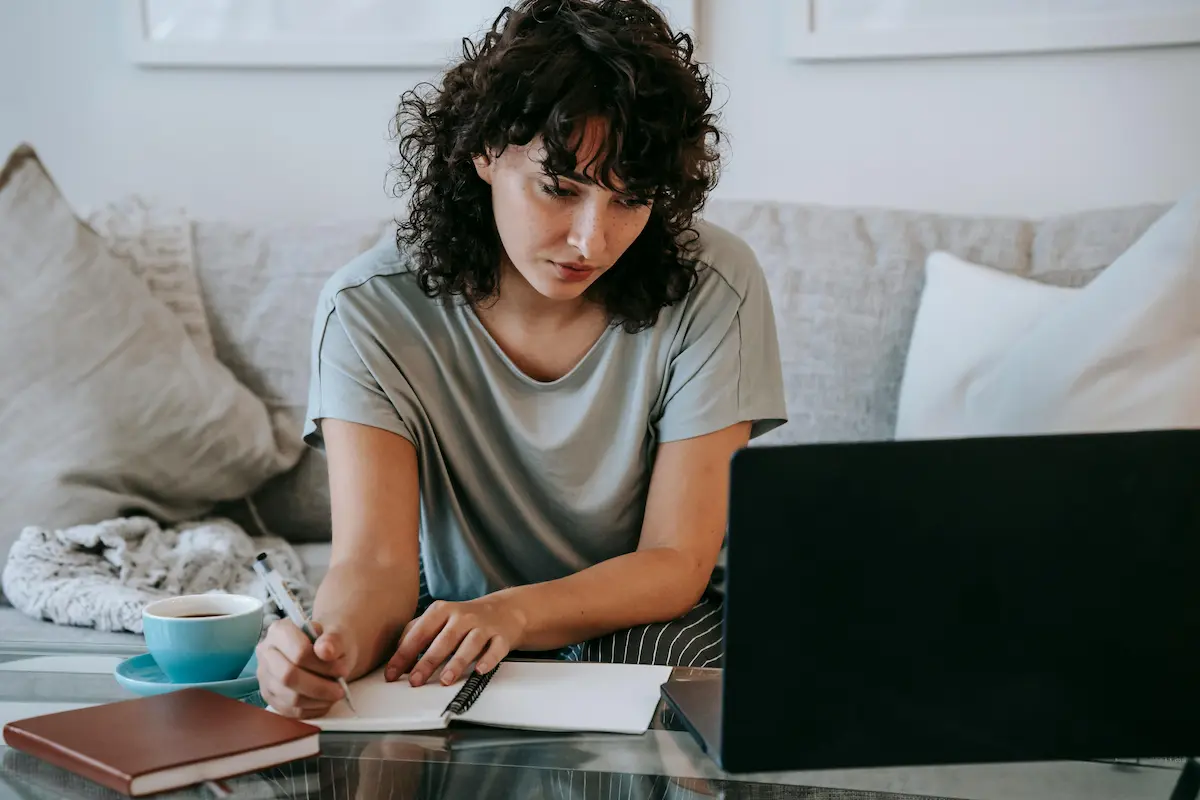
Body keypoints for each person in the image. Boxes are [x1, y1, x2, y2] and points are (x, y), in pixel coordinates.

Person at [256, 0, 787, 720]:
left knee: (661, 678)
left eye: (631, 202)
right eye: (559, 189)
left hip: (647, 618)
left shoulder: (715, 285)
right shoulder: (367, 310)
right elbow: (374, 563)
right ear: (484, 152)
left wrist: (516, 615)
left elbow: (676, 561)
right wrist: (329, 652)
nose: (590, 242)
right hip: (460, 615)